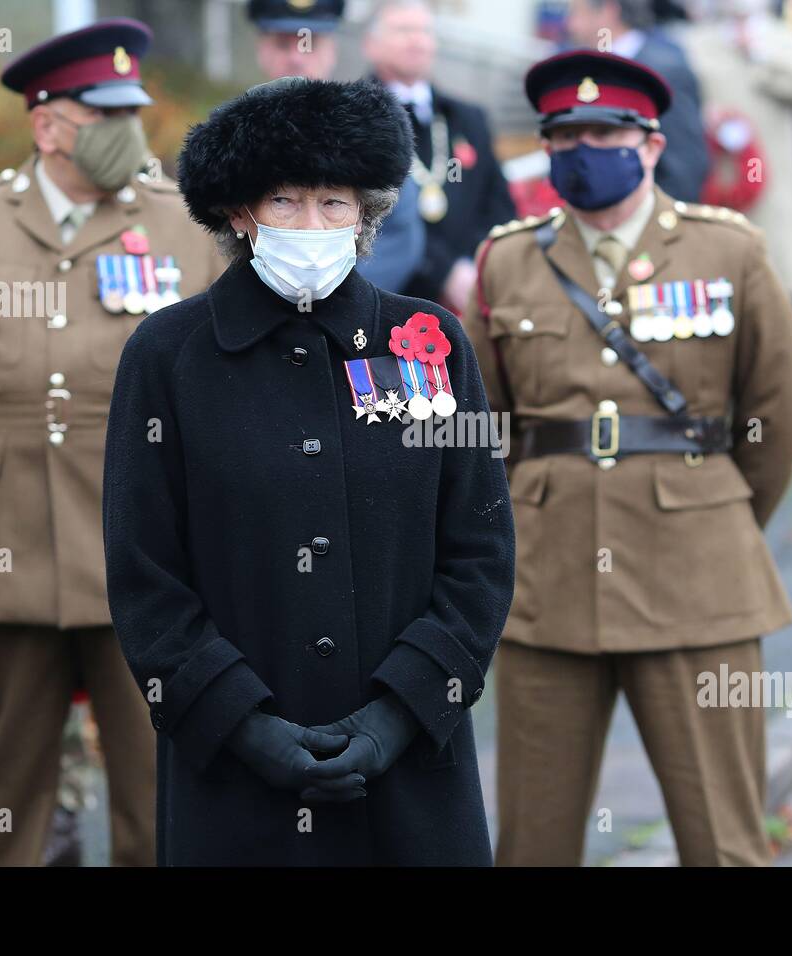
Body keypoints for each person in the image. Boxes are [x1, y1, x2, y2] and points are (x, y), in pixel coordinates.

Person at [102, 76, 515, 865]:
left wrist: (396, 715)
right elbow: (145, 574)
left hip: (413, 771)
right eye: (286, 201)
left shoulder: (430, 341)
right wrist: (243, 726)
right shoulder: (167, 356)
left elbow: (481, 553)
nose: (313, 222)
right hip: (232, 777)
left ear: (367, 213)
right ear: (239, 213)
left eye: (335, 202)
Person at [465, 50, 792, 866]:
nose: (587, 148)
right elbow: (483, 429)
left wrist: (714, 515)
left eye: (608, 131)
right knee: (530, 845)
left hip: (699, 579)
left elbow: (777, 421)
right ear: (547, 148)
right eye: (567, 134)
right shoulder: (507, 260)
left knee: (723, 842)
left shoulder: (730, 253)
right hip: (547, 583)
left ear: (651, 144)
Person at [0, 18, 224, 865]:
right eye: (102, 114)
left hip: (146, 557)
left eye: (133, 113)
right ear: (46, 126)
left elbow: (219, 379)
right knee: (0, 795)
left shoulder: (186, 224)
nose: (128, 133)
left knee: (163, 790)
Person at [248, 0, 426, 292]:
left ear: (332, 50)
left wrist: (332, 305)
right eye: (282, 44)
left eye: (310, 44)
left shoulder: (372, 137)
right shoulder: (232, 140)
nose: (296, 57)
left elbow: (396, 241)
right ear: (261, 50)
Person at [363, 0, 517, 311]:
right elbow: (369, 215)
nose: (416, 40)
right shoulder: (353, 119)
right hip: (389, 298)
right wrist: (442, 272)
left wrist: (472, 265)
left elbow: (499, 205)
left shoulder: (467, 119)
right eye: (403, 30)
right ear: (371, 45)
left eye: (424, 31)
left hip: (470, 295)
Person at [676, 0, 792, 306]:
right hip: (716, 176)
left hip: (775, 173)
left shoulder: (787, 38)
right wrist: (703, 116)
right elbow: (679, 98)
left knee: (777, 269)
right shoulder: (693, 41)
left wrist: (760, 56)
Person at [565, 0, 709, 202]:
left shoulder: (665, 70)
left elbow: (683, 167)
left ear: (608, 11)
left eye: (577, 14)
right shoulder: (588, 70)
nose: (571, 25)